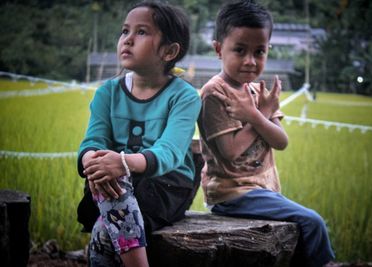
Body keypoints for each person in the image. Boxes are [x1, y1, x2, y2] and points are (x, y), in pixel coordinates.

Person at [197, 1, 335, 266]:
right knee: (313, 222)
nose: (250, 61)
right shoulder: (214, 94)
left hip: (262, 191)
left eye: (259, 52)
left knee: (303, 227)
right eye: (239, 50)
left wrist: (258, 114)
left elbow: (281, 141)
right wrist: (255, 116)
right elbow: (229, 153)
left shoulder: (256, 91)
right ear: (218, 49)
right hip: (231, 195)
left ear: (268, 50)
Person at [77, 1, 201, 266]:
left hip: (167, 184)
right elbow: (92, 141)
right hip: (112, 180)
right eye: (124, 31)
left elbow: (169, 153)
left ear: (169, 51)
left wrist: (121, 164)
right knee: (105, 219)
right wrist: (93, 163)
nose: (128, 40)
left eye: (141, 32)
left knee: (106, 224)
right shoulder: (107, 93)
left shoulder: (184, 96)